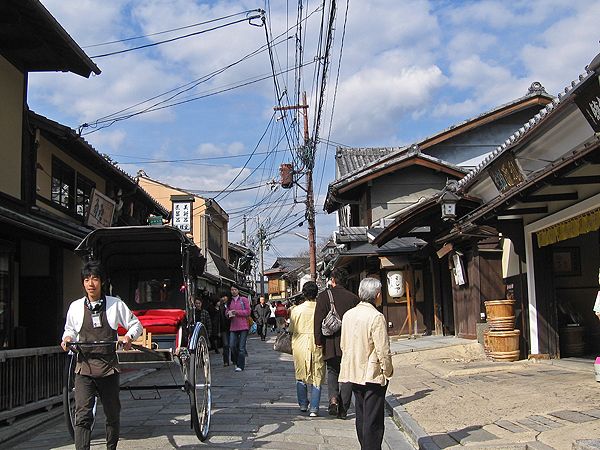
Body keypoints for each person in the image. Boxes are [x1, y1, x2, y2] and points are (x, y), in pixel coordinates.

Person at [60, 260, 142, 450]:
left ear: (102, 281)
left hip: (109, 369)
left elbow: (136, 325)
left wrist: (129, 337)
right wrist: (67, 339)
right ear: (83, 283)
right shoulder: (76, 306)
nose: (91, 283)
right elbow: (69, 329)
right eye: (87, 279)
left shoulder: (115, 304)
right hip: (84, 368)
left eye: (95, 279)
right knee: (82, 416)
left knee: (112, 414)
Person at [339, 278, 393, 450]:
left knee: (362, 415)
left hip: (354, 370)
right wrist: (388, 370)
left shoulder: (348, 314)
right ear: (377, 295)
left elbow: (343, 344)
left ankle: (364, 446)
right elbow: (382, 349)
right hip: (372, 373)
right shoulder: (376, 316)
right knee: (373, 419)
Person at [313, 267, 359, 419]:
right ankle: (343, 409)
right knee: (348, 375)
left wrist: (318, 340)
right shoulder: (353, 298)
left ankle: (333, 399)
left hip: (330, 342)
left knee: (332, 371)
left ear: (332, 280)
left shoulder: (324, 297)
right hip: (349, 342)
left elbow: (317, 321)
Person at [289, 281, 325, 417]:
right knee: (317, 374)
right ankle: (314, 408)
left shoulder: (296, 310)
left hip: (300, 343)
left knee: (300, 375)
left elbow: (291, 329)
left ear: (303, 294)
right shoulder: (321, 308)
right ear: (316, 293)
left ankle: (303, 404)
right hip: (317, 342)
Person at [225, 285, 251, 372]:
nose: (233, 291)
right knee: (232, 345)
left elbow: (248, 312)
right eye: (232, 290)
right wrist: (228, 314)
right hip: (233, 326)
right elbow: (226, 312)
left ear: (238, 291)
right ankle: (236, 360)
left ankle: (240, 365)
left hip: (243, 326)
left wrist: (237, 312)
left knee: (241, 347)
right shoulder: (229, 301)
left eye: (235, 289)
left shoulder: (244, 300)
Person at [217, 293, 232, 366]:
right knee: (225, 345)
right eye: (222, 297)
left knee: (232, 344)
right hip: (224, 328)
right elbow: (218, 319)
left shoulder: (231, 305)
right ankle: (226, 361)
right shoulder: (220, 307)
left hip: (232, 327)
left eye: (225, 296)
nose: (224, 298)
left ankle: (234, 359)